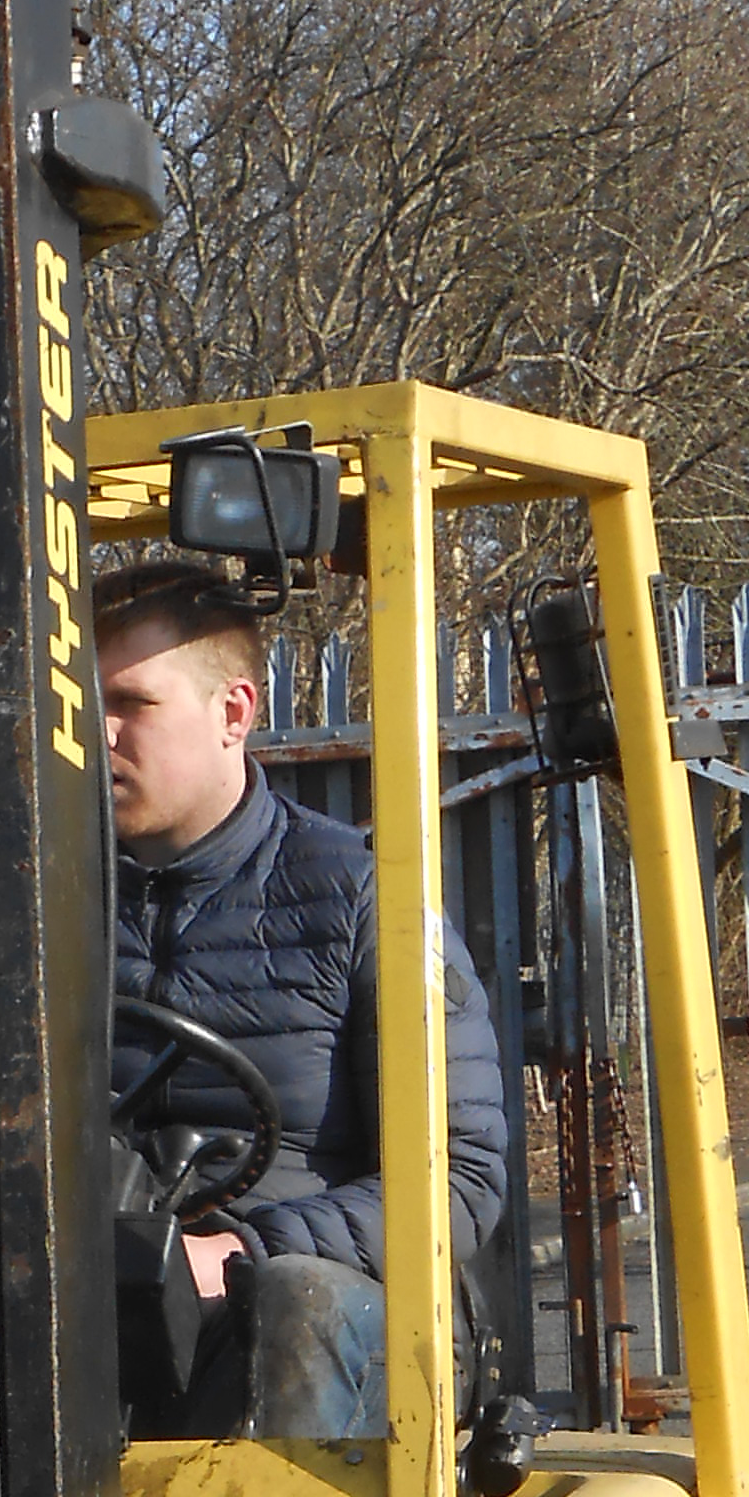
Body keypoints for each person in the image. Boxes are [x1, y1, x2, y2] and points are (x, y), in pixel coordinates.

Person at [90, 559, 512, 1441]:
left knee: (296, 1302)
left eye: (130, 702)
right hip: (104, 1296)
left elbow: (461, 1182)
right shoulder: (34, 913)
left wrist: (247, 1248)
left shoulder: (365, 899)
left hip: (321, 1304)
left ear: (234, 713)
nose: (99, 732)